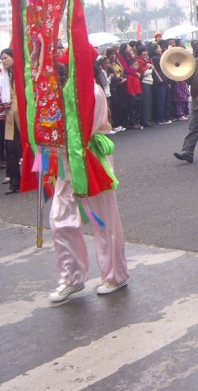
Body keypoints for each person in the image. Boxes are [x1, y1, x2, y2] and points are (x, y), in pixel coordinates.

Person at [48, 59, 130, 302]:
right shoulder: (56, 94)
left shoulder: (91, 92)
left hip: (90, 159)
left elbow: (79, 133)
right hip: (66, 162)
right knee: (60, 219)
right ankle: (71, 278)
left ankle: (115, 275)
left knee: (103, 220)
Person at [0, 49, 22, 195]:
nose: (3, 61)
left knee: (31, 149)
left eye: (6, 58)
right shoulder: (2, 75)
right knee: (11, 150)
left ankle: (38, 179)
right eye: (2, 59)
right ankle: (15, 183)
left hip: (24, 115)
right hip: (10, 115)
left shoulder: (22, 73)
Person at [174, 38, 198, 163]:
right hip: (197, 99)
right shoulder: (193, 62)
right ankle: (187, 151)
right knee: (194, 126)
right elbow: (188, 79)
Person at [125, 58, 143, 130]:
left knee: (138, 109)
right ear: (131, 66)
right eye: (135, 65)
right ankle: (133, 123)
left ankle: (137, 123)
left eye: (137, 64)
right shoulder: (131, 75)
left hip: (139, 93)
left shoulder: (137, 74)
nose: (137, 66)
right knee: (133, 110)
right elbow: (129, 85)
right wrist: (132, 94)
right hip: (133, 94)